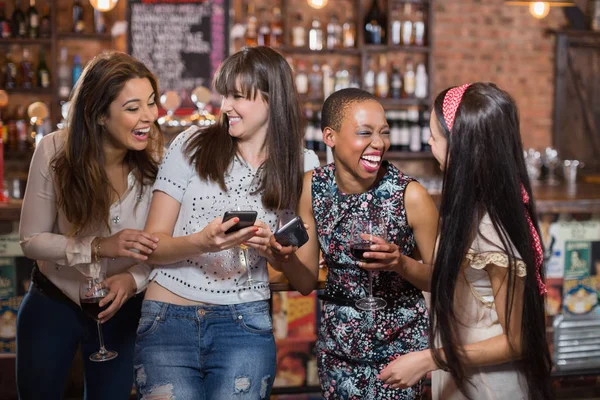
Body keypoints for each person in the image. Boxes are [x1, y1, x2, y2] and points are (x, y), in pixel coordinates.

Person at [133, 46, 320, 400]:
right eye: (225, 95)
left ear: (271, 98)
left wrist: (278, 254)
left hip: (244, 326)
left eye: (237, 96)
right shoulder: (191, 145)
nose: (225, 107)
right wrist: (201, 242)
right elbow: (151, 246)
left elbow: (306, 280)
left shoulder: (302, 164)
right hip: (167, 319)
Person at [378, 83, 553, 399]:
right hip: (466, 374)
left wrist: (428, 359)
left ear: (462, 146)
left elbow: (517, 340)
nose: (428, 142)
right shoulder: (472, 208)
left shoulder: (491, 229)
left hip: (492, 386)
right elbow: (457, 283)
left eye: (434, 136)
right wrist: (400, 263)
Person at [269, 88, 439, 399]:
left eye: (383, 132)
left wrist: (400, 263)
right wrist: (283, 257)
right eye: (365, 133)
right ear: (329, 137)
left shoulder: (411, 196)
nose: (379, 143)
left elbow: (442, 279)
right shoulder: (312, 187)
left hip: (399, 350)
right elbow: (305, 281)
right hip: (338, 350)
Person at [17, 51, 163, 399]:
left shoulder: (158, 157)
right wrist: (99, 245)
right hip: (54, 303)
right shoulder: (54, 150)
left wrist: (132, 279)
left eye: (152, 103)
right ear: (99, 114)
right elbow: (31, 240)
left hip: (122, 312)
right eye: (133, 108)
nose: (149, 117)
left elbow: (164, 242)